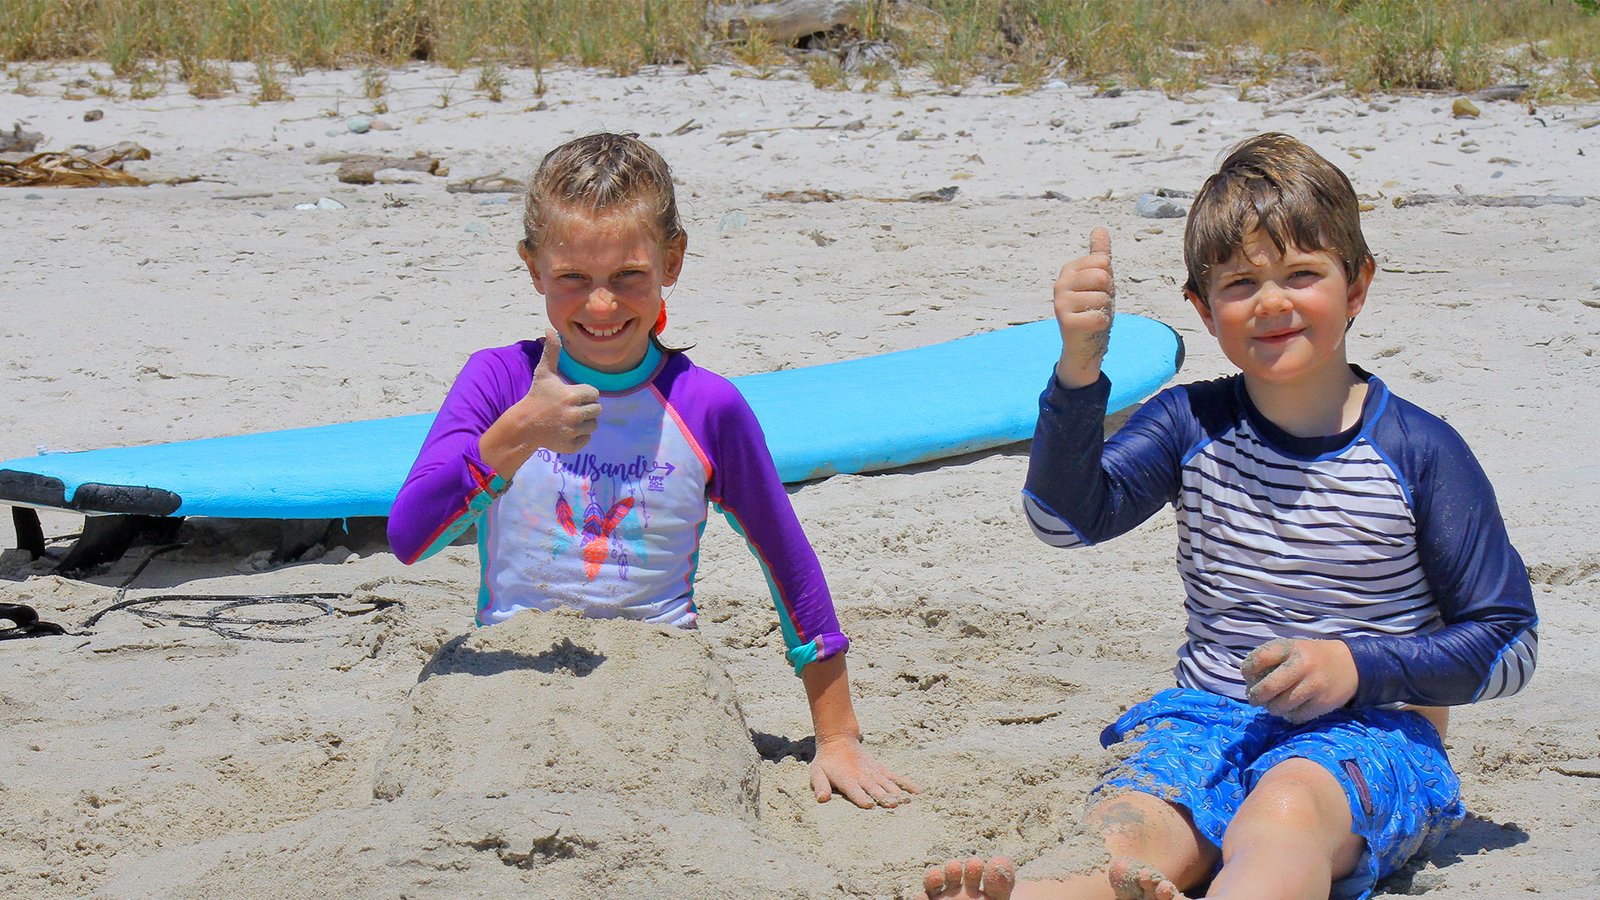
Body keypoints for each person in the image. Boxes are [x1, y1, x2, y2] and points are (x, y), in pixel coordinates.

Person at [920, 133, 1538, 899]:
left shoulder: (1420, 451)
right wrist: (1079, 371)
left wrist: (1358, 666)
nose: (1272, 302)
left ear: (1357, 286)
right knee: (1132, 828)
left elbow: (1509, 644)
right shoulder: (1191, 424)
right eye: (1241, 283)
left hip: (1375, 735)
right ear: (1203, 310)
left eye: (1302, 274)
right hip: (1208, 719)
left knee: (1284, 813)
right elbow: (1061, 521)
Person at [388, 132, 918, 810]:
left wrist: (837, 736)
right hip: (511, 669)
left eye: (627, 276)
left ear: (672, 261)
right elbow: (409, 537)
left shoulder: (707, 406)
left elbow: (786, 558)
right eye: (573, 278)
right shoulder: (498, 382)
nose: (601, 305)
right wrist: (517, 434)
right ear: (533, 268)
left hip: (661, 683)